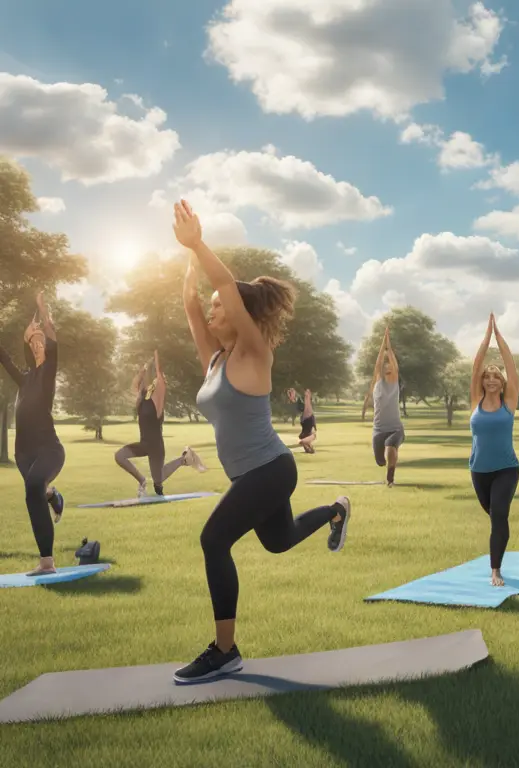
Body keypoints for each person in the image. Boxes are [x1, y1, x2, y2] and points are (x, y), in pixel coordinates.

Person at [170, 199, 350, 684]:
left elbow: (224, 286)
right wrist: (187, 257)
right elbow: (191, 304)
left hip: (269, 469)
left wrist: (199, 244)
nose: (211, 311)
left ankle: (224, 651)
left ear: (238, 313)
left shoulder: (254, 352)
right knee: (279, 540)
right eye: (211, 308)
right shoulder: (214, 360)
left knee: (213, 540)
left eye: (218, 308)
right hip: (255, 473)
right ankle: (336, 510)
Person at [0, 293, 65, 576]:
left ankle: (47, 563)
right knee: (36, 492)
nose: (39, 345)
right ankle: (51, 494)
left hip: (49, 450)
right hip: (23, 453)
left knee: (31, 489)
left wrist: (42, 312)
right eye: (34, 342)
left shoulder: (48, 371)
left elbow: (53, 340)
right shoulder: (23, 378)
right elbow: (3, 357)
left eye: (41, 342)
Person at [469, 313, 519, 587]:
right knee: (495, 517)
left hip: (507, 469)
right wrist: (485, 337)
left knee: (499, 514)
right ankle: (501, 542)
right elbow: (476, 365)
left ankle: (495, 570)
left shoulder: (509, 402)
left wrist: (499, 338)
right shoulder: (476, 400)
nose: (490, 380)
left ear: (501, 383)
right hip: (479, 471)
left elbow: (512, 368)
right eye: (487, 377)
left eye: (495, 377)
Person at [115, 351, 207, 497]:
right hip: (144, 444)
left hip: (156, 446)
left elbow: (160, 379)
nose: (143, 379)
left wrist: (157, 358)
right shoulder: (141, 400)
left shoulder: (156, 400)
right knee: (119, 456)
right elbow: (135, 385)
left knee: (159, 481)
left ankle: (184, 459)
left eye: (146, 376)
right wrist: (143, 369)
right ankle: (142, 481)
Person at [366, 327, 404, 486]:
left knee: (390, 446)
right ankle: (387, 465)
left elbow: (394, 365)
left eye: (391, 370)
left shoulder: (394, 383)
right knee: (380, 461)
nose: (389, 371)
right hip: (378, 429)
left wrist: (389, 346)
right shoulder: (377, 382)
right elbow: (378, 363)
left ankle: (390, 479)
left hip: (395, 429)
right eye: (385, 370)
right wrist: (383, 345)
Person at [288, 387, 317, 454]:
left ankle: (297, 397)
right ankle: (297, 397)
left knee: (307, 405)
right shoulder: (311, 437)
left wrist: (305, 445)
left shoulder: (308, 437)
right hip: (306, 420)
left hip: (307, 420)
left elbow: (302, 442)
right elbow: (302, 442)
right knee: (307, 405)